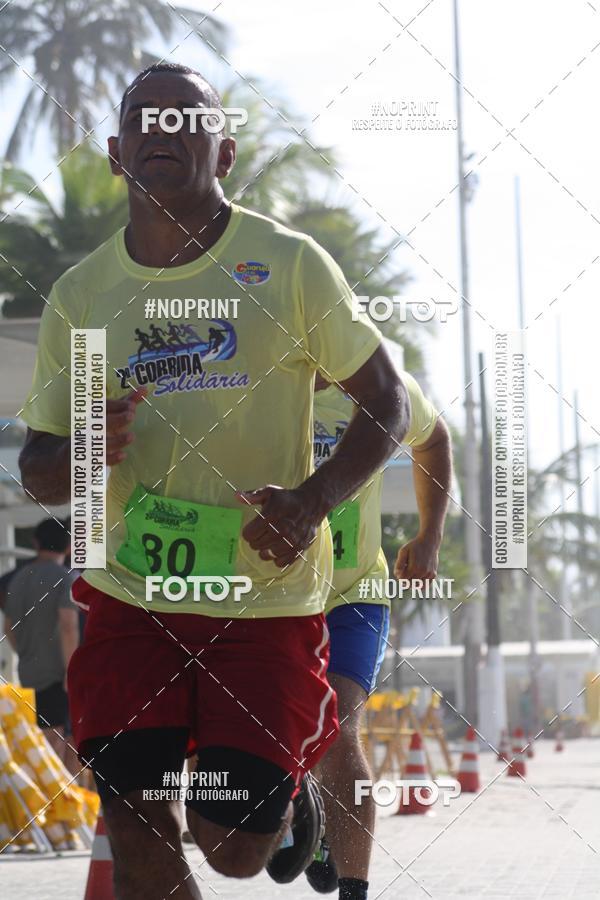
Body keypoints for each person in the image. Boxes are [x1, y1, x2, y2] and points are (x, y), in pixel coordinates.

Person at [18, 62, 411, 899]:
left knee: (232, 844)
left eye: (184, 117)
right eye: (143, 118)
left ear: (224, 151)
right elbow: (39, 467)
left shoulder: (289, 266)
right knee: (131, 816)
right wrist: (81, 452)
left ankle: (290, 792)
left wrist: (311, 503)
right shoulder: (82, 295)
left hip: (263, 597)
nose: (162, 129)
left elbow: (387, 405)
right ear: (118, 153)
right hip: (131, 592)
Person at [306, 370, 452, 900]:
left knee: (340, 729)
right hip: (270, 595)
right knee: (276, 734)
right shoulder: (254, 373)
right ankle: (310, 811)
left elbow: (433, 437)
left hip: (354, 591)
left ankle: (354, 889)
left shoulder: (383, 382)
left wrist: (429, 534)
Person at [3, 518, 79, 766]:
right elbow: (68, 625)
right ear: (69, 547)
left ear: (35, 543)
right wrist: (72, 670)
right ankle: (63, 803)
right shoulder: (67, 578)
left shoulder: (17, 579)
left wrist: (26, 653)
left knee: (41, 746)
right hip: (60, 675)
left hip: (29, 672)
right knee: (62, 746)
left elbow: (8, 628)